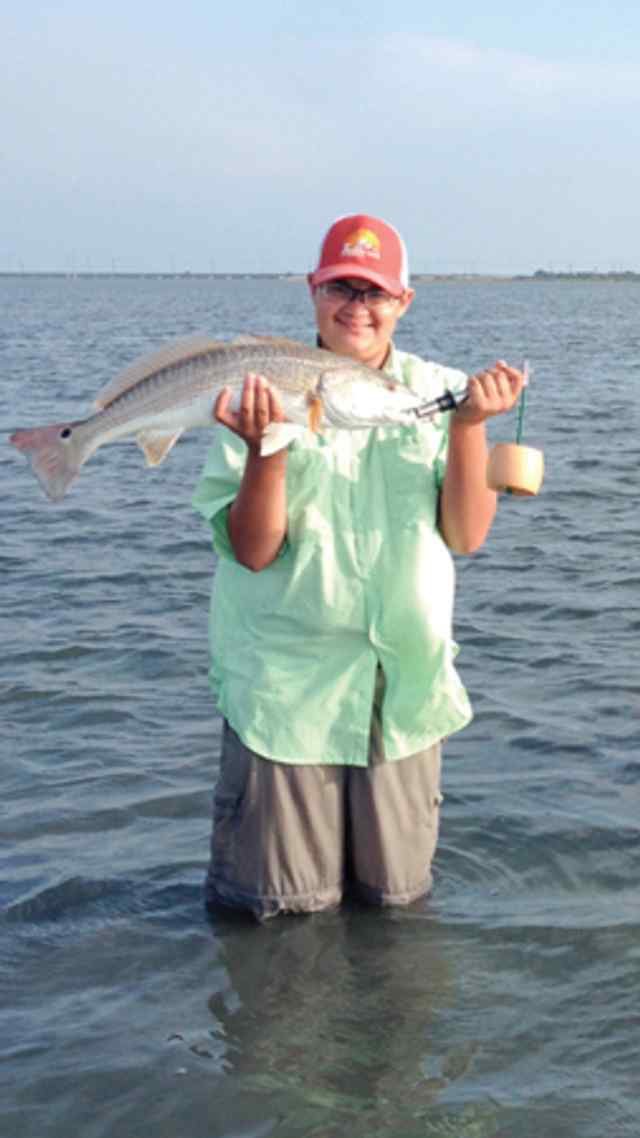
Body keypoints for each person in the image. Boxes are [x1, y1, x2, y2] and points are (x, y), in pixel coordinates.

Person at [193, 214, 524, 920]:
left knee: (398, 916)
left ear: (403, 302)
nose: (357, 307)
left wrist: (468, 427)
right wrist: (266, 448)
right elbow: (253, 551)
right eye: (341, 287)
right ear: (313, 292)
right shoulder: (262, 388)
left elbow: (465, 534)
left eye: (374, 293)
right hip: (286, 692)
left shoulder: (436, 392)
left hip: (402, 692)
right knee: (279, 925)